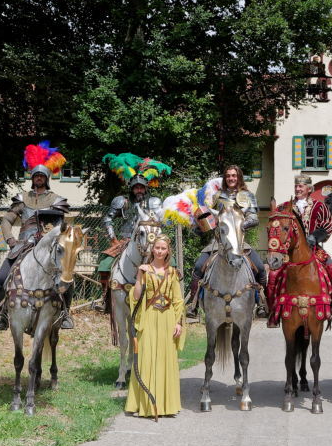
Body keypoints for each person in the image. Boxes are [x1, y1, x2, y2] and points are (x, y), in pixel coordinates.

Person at [0, 142, 71, 331]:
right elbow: (6, 221)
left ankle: (65, 314)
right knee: (1, 278)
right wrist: (10, 240)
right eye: (36, 175)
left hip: (49, 248)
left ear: (47, 178)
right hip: (23, 245)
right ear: (32, 178)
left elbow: (61, 227)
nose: (38, 178)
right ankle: (2, 314)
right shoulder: (22, 199)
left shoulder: (56, 200)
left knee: (68, 279)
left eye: (41, 176)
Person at [186, 165, 267, 317]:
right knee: (198, 267)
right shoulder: (217, 196)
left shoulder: (247, 195)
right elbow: (207, 216)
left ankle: (263, 302)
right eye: (228, 176)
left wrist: (240, 224)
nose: (231, 178)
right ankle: (193, 303)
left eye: (234, 175)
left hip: (239, 241)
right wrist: (200, 225)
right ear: (225, 178)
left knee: (261, 268)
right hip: (218, 241)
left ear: (239, 177)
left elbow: (254, 218)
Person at [268, 175, 332, 327]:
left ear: (309, 189)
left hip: (314, 249)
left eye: (301, 186)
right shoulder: (284, 207)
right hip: (287, 252)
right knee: (272, 276)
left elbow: (327, 226)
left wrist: (315, 237)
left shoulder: (320, 206)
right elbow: (275, 225)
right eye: (296, 186)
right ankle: (272, 312)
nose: (297, 189)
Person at [98, 153, 172, 303]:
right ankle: (106, 297)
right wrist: (113, 239)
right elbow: (107, 219)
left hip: (151, 241)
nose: (139, 190)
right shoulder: (122, 201)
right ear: (131, 189)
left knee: (173, 263)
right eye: (136, 188)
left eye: (141, 188)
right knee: (105, 264)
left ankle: (169, 294)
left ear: (146, 188)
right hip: (126, 240)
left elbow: (165, 222)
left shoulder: (154, 202)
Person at [125, 236, 186, 418]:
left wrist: (178, 322)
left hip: (167, 319)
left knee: (166, 359)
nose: (159, 251)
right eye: (157, 248)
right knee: (146, 357)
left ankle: (167, 406)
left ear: (168, 251)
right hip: (150, 317)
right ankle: (144, 405)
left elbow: (178, 300)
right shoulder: (145, 270)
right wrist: (139, 275)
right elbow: (136, 297)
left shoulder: (173, 273)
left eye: (163, 248)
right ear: (153, 249)